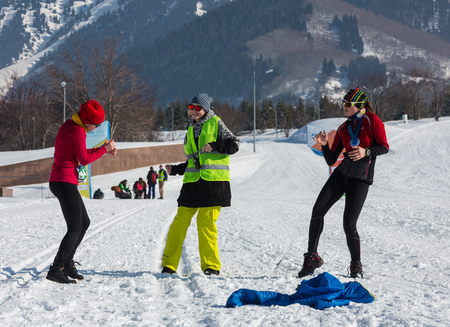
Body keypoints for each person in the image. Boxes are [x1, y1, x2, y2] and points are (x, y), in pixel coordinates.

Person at [298, 87, 389, 279]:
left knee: (349, 224)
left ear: (359, 106)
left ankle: (356, 264)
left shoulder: (373, 121)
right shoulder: (343, 128)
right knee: (317, 211)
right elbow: (332, 160)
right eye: (343, 104)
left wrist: (367, 151)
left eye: (348, 104)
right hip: (341, 175)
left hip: (361, 178)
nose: (344, 107)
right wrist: (324, 146)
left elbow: (384, 147)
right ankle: (311, 257)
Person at [160, 93, 240, 276]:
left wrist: (216, 145)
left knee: (205, 224)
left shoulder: (216, 123)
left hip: (213, 183)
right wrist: (176, 169)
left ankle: (211, 266)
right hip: (192, 185)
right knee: (178, 224)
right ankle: (169, 265)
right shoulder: (190, 129)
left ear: (206, 109)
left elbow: (235, 144)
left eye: (198, 108)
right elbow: (193, 160)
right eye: (191, 107)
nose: (194, 111)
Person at [47, 100, 117, 284]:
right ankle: (56, 268)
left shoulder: (72, 125)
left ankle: (67, 264)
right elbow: (84, 159)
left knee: (84, 223)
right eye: (97, 124)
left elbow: (79, 152)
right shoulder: (77, 129)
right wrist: (104, 149)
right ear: (87, 121)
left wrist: (103, 151)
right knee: (75, 227)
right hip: (63, 181)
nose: (97, 127)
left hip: (63, 180)